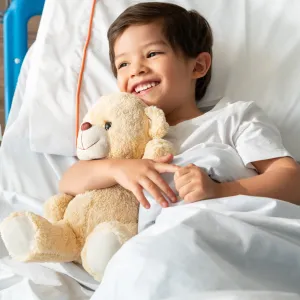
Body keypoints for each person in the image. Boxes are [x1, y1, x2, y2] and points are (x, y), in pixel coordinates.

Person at [59, 2, 300, 210]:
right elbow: (68, 181)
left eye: (152, 53)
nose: (136, 69)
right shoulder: (125, 140)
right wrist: (118, 169)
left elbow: (291, 180)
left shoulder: (234, 118)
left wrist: (221, 191)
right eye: (123, 64)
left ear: (198, 66)